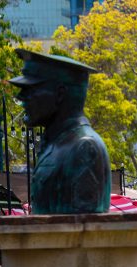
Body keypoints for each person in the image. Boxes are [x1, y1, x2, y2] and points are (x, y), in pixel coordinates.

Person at [10, 49, 110, 214]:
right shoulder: (56, 144)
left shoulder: (84, 148)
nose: (21, 97)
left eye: (30, 89)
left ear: (60, 94)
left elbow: (81, 225)